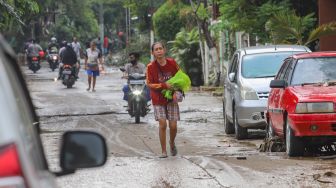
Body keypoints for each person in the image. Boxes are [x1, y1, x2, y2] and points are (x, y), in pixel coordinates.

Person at [146, 42, 180, 158]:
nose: (159, 51)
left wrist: (177, 91)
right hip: (158, 99)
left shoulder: (172, 63)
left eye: (161, 48)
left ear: (164, 50)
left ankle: (171, 143)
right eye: (156, 49)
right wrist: (164, 86)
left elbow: (180, 77)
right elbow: (149, 84)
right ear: (153, 53)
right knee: (162, 123)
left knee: (173, 126)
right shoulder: (150, 67)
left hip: (171, 98)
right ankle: (164, 151)